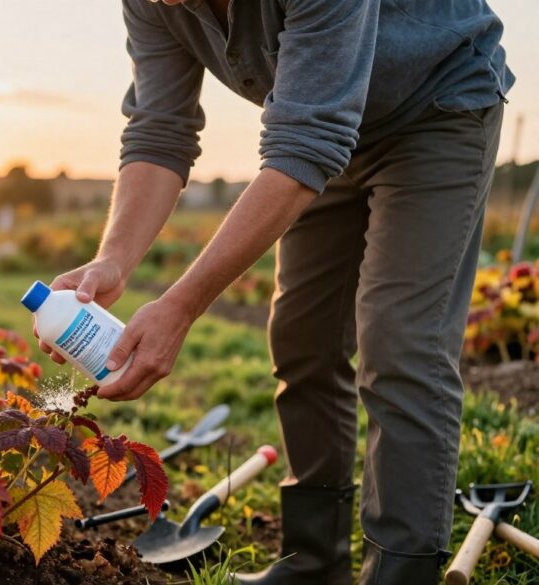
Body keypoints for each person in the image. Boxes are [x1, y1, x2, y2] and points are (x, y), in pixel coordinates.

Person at [38, 0, 513, 583]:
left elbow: (306, 142)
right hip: (325, 128)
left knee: (399, 342)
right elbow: (160, 130)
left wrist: (182, 305)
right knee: (302, 339)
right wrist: (113, 259)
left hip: (434, 105)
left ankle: (401, 571)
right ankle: (315, 560)